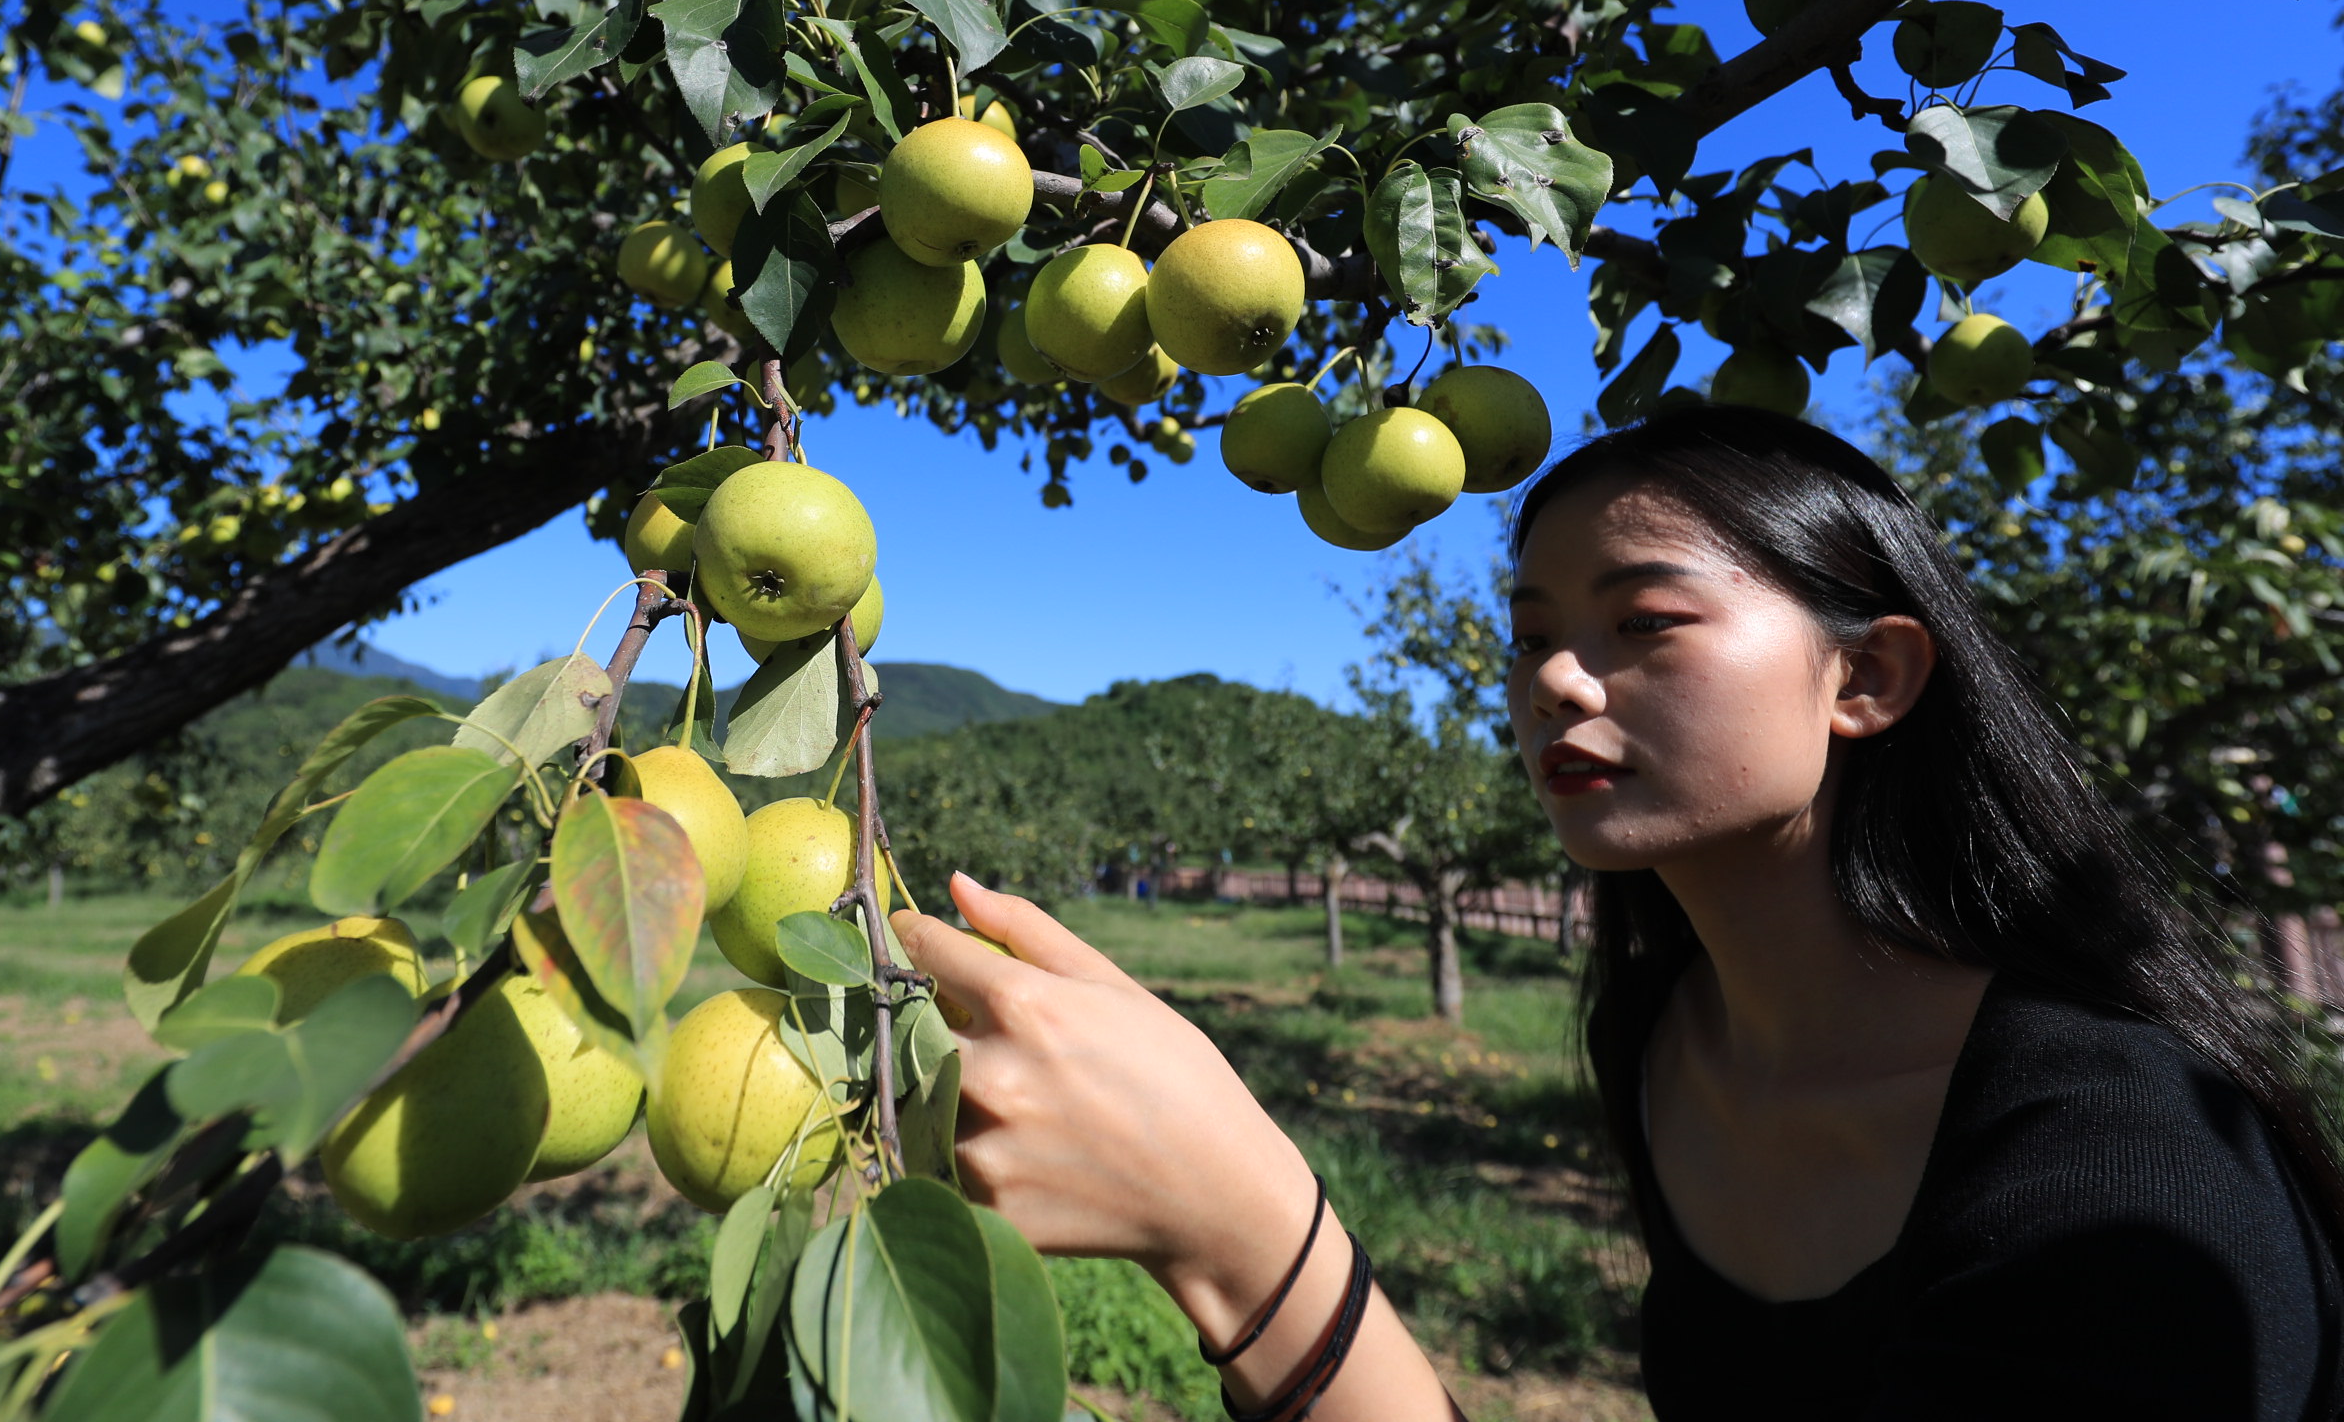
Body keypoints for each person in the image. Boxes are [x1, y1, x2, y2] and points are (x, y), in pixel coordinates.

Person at [897, 404, 2344, 1420]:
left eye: (1642, 622)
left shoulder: (2127, 1176)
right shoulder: (1670, 1040)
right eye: (1532, 637)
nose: (1556, 684)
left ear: (1871, 678)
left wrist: (1251, 1239)